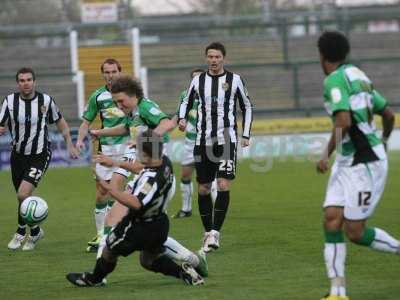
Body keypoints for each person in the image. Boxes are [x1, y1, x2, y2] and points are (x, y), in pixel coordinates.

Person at [90, 75, 208, 277]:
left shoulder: (145, 106)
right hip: (145, 172)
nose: (119, 106)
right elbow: (127, 128)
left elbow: (166, 123)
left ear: (133, 95)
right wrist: (101, 133)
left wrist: (146, 139)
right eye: (116, 102)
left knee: (119, 219)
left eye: (121, 101)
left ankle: (98, 275)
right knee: (147, 235)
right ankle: (193, 260)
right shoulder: (132, 111)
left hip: (156, 175)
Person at [316, 30, 399, 300]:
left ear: (322, 55)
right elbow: (388, 113)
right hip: (350, 159)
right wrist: (384, 139)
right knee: (331, 220)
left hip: (364, 162)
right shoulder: (359, 76)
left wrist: (330, 151)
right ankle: (337, 293)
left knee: (355, 231)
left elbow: (343, 121)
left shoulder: (334, 80)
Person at [66, 130, 205, 287]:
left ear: (146, 154)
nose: (136, 152)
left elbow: (135, 203)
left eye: (138, 150)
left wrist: (110, 189)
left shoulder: (151, 180)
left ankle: (94, 279)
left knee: (109, 250)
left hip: (139, 226)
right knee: (147, 260)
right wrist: (115, 163)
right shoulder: (164, 162)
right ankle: (185, 273)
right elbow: (140, 167)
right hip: (160, 224)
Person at [178, 42, 253, 252]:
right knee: (203, 188)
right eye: (210, 57)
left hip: (227, 139)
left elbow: (246, 106)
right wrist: (182, 119)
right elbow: (186, 101)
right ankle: (207, 231)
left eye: (217, 57)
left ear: (223, 58)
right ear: (206, 58)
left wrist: (245, 134)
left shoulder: (234, 80)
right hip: (202, 141)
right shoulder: (198, 80)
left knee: (222, 185)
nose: (213, 60)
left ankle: (215, 233)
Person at [0, 67, 78, 251]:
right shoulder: (9, 101)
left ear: (34, 82)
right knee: (22, 198)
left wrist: (69, 143)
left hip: (40, 154)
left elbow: (60, 122)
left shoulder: (46, 101)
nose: (25, 83)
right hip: (17, 155)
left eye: (29, 80)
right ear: (18, 83)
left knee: (22, 194)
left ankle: (20, 232)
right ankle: (35, 232)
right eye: (22, 80)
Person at [75, 58, 133, 252]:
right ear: (103, 74)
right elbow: (86, 122)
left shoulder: (130, 93)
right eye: (106, 72)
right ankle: (101, 234)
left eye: (113, 71)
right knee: (101, 194)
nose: (110, 75)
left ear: (120, 72)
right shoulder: (97, 97)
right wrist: (80, 140)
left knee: (115, 190)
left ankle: (112, 234)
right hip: (105, 149)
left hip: (126, 149)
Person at [172, 68, 217, 219]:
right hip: (190, 141)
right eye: (194, 78)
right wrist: (181, 122)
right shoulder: (185, 95)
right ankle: (186, 209)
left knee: (210, 176)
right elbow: (180, 114)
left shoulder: (212, 94)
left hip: (207, 141)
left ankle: (216, 207)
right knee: (185, 175)